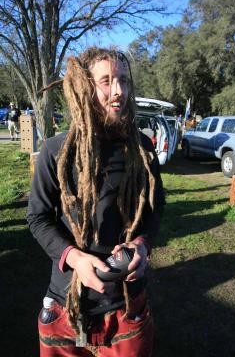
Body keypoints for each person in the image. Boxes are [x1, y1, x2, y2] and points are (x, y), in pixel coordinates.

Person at [27, 47, 165, 357]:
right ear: (85, 87)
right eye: (106, 81)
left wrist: (142, 244)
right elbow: (37, 218)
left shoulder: (140, 148)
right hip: (66, 304)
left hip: (127, 305)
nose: (119, 91)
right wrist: (75, 258)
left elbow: (156, 208)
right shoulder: (56, 151)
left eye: (124, 81)